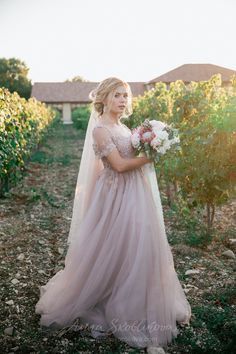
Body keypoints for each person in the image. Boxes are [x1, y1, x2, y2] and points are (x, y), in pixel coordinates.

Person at [35, 77, 191, 354]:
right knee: (117, 245)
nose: (123, 100)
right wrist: (152, 155)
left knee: (138, 245)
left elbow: (131, 153)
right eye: (117, 95)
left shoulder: (124, 126)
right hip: (117, 193)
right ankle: (113, 298)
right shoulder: (100, 130)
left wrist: (152, 144)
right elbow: (118, 166)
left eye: (125, 95)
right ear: (105, 98)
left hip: (136, 192)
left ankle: (140, 296)